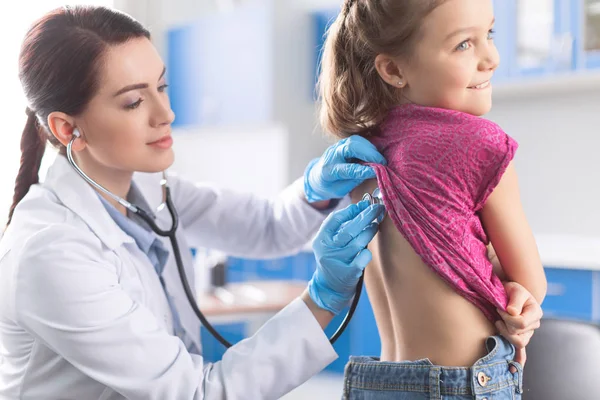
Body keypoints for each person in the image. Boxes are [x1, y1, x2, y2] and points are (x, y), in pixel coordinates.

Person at [0, 5, 389, 400]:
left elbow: (267, 227)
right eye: (134, 102)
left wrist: (315, 189)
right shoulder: (50, 252)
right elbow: (197, 393)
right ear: (68, 129)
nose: (165, 113)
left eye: (162, 87)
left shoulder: (153, 191)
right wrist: (321, 298)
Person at [318, 0, 547, 398]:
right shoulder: (480, 142)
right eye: (463, 45)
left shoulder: (364, 151)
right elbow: (529, 286)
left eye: (488, 35)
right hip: (460, 382)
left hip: (378, 381)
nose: (490, 58)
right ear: (393, 69)